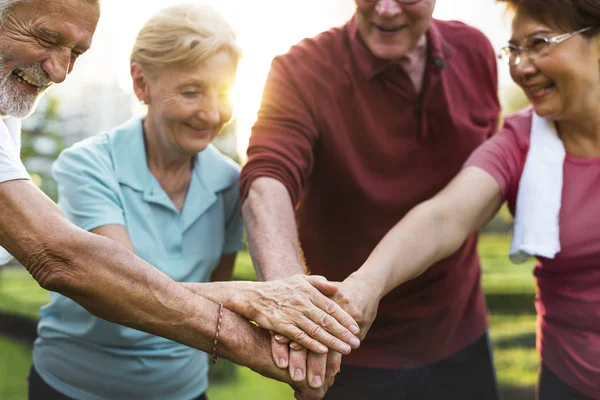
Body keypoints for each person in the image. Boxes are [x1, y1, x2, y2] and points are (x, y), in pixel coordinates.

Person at [0, 1, 359, 398]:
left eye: (223, 94)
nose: (210, 113)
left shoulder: (228, 183)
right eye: (191, 92)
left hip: (183, 390)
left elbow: (211, 301)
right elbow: (113, 290)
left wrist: (291, 336)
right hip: (75, 388)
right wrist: (250, 302)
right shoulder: (88, 163)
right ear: (141, 84)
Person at [317, 0, 600, 398]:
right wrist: (364, 286)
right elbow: (444, 216)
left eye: (539, 43)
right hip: (570, 384)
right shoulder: (522, 142)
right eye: (514, 49)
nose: (521, 67)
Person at [240, 0, 501, 398]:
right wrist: (290, 298)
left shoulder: (476, 50)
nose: (386, 10)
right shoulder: (300, 70)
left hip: (459, 339)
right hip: (347, 350)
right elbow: (267, 180)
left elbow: (485, 178)